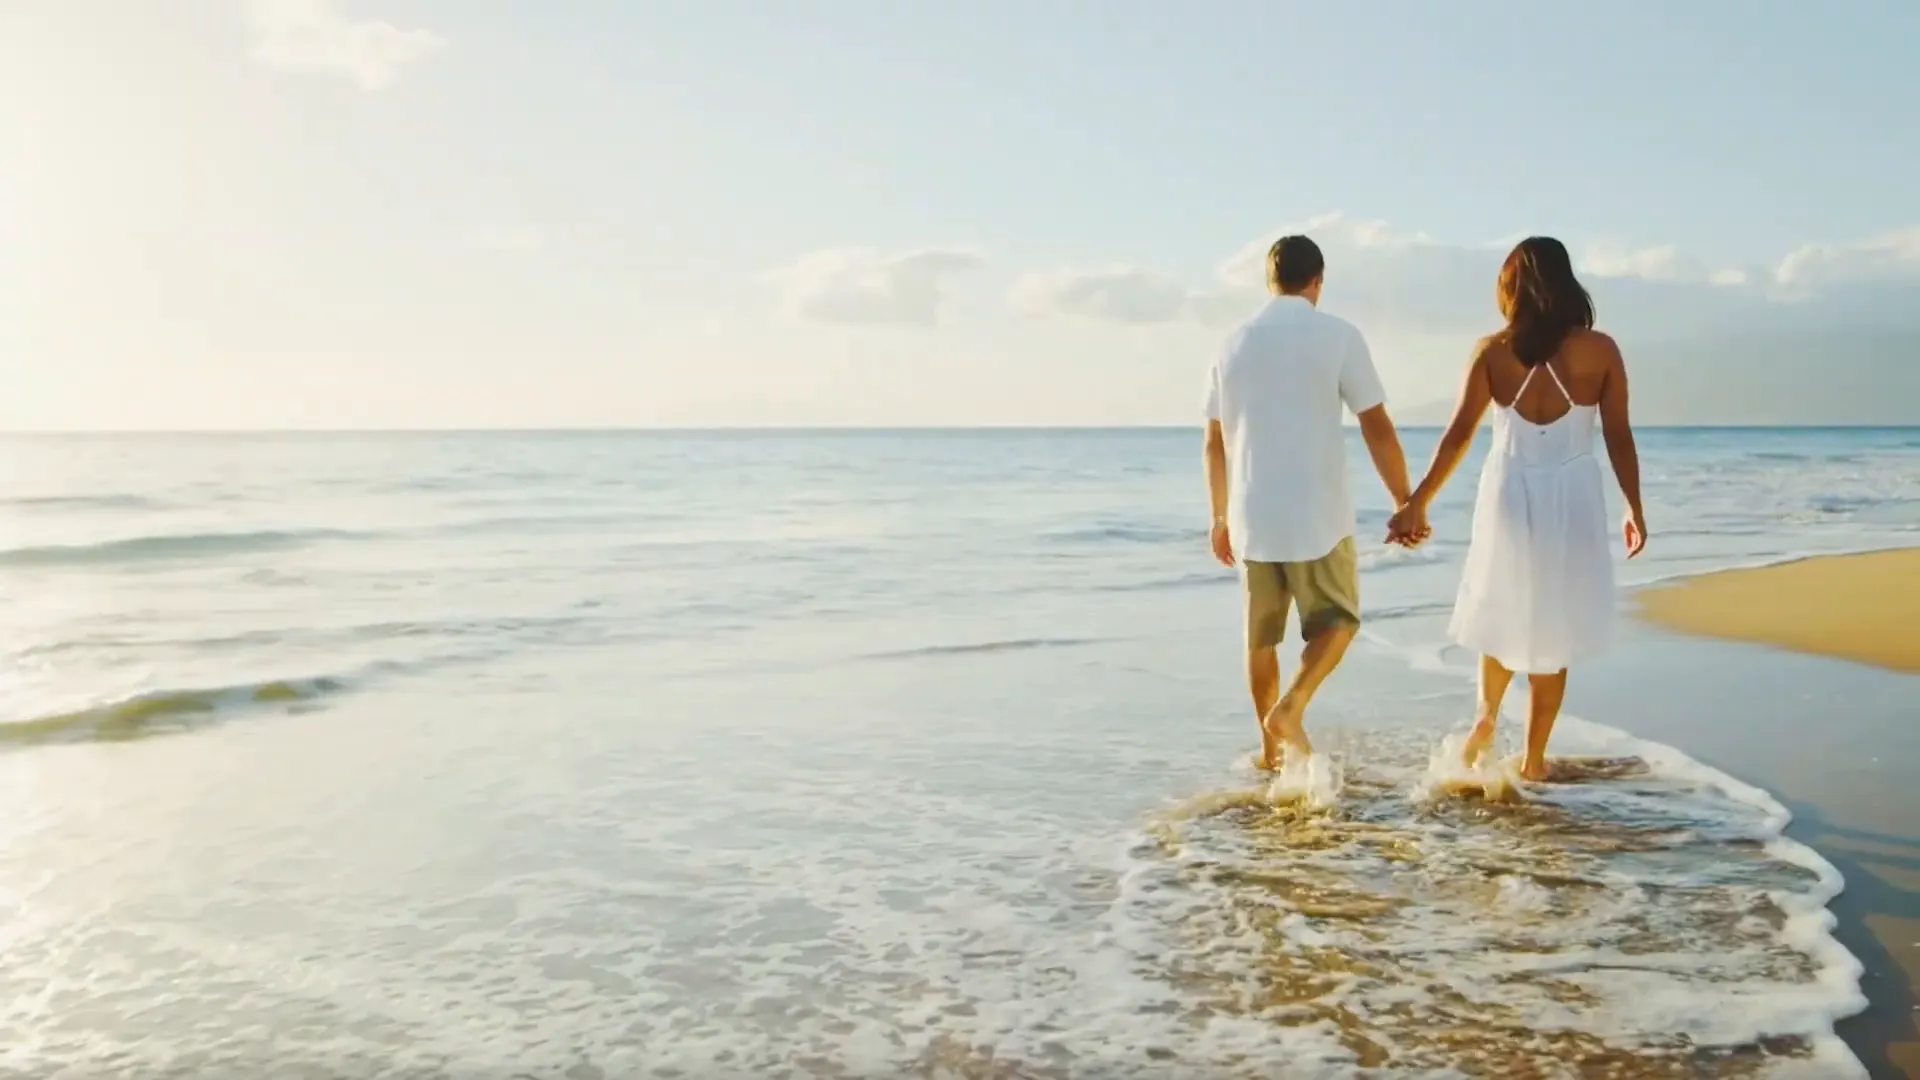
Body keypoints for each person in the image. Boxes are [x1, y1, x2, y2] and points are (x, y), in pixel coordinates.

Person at [1386, 236, 1647, 782]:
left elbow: (1458, 434)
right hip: (1572, 492)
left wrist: (1418, 501)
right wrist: (1634, 507)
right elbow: (1619, 436)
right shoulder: (1601, 351)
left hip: (1509, 488)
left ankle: (1485, 717)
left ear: (1512, 288)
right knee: (1555, 627)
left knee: (1502, 606)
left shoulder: (1492, 351)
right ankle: (1532, 762)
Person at [1204, 234, 1418, 771]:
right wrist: (1404, 499)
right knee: (1339, 621)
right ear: (1318, 280)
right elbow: (1376, 425)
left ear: (1270, 282)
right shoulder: (1338, 335)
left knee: (1261, 637)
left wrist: (1219, 517)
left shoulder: (1232, 343)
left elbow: (1215, 440)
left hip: (1252, 517)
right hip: (1317, 515)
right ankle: (1291, 708)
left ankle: (1270, 752)